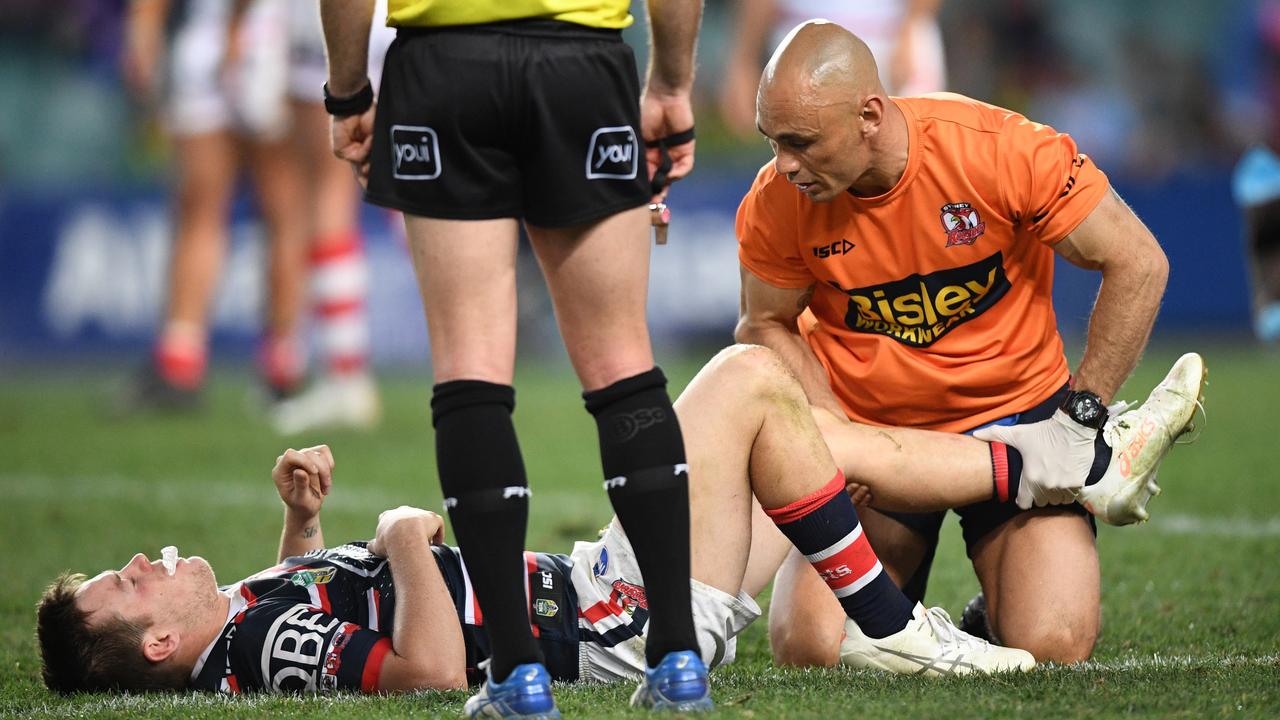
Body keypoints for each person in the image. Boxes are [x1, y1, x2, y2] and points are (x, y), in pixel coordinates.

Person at [35, 344, 1204, 699]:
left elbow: (300, 617)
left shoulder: (237, 630)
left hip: (608, 587)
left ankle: (1048, 487)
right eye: (123, 584)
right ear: (154, 645)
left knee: (804, 426)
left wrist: (301, 531)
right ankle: (1048, 482)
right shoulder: (235, 648)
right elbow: (437, 668)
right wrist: (398, 535)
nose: (142, 561)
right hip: (623, 620)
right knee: (751, 380)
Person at [734, 21, 1183, 664]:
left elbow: (1138, 261)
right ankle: (915, 611)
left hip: (1020, 424)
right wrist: (834, 435)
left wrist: (1083, 415)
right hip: (881, 438)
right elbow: (763, 322)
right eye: (772, 141)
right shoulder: (780, 198)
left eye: (800, 142)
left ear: (868, 114)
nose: (784, 164)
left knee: (1052, 645)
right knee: (811, 645)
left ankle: (983, 619)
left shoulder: (998, 150)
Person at [317, 0, 708, 714]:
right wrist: (671, 83)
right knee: (623, 363)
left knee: (470, 369)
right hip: (583, 63)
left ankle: (517, 676)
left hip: (444, 64)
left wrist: (348, 91)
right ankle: (679, 657)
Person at [117, 0, 310, 411]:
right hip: (270, 44)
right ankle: (282, 363)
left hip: (213, 41)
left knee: (200, 212)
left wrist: (144, 32)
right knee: (285, 214)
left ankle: (181, 361)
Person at [720, 0, 946, 138]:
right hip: (802, 38)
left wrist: (911, 26)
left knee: (906, 147)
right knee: (811, 151)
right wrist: (743, 62)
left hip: (889, 37)